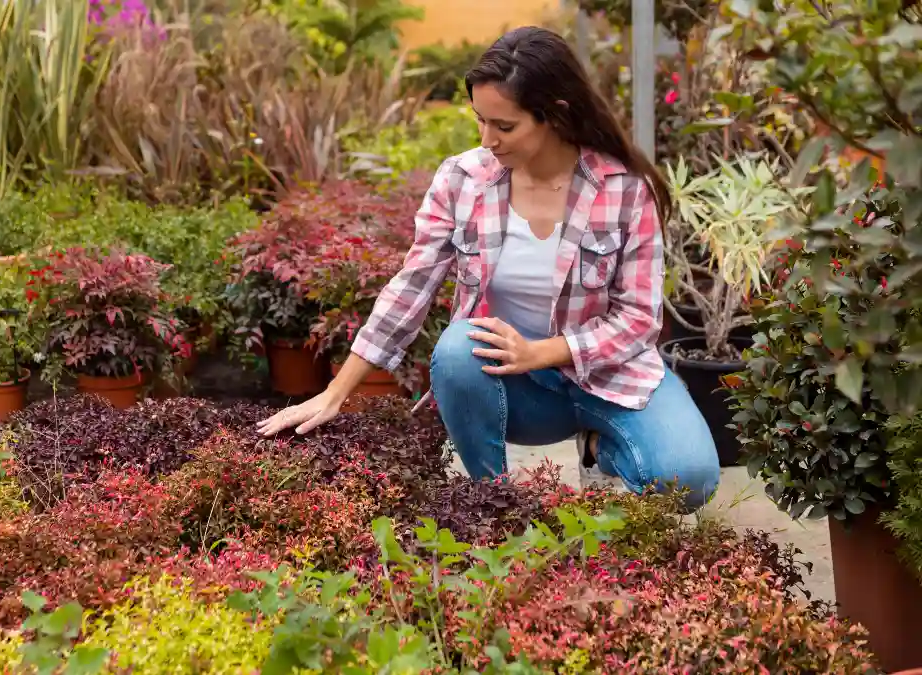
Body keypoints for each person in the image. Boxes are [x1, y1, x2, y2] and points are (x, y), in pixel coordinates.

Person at [257, 26, 720, 510]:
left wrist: (540, 352)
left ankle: (600, 446)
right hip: (517, 392)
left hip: (612, 378)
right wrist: (335, 393)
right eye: (480, 121)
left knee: (689, 479)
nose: (487, 139)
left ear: (556, 113)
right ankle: (493, 505)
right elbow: (411, 286)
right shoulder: (463, 180)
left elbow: (639, 320)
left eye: (504, 126)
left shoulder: (624, 190)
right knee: (458, 349)